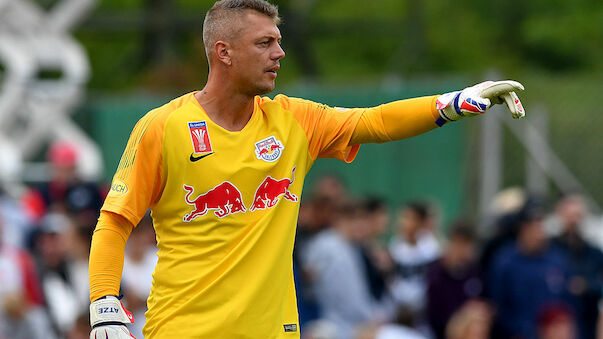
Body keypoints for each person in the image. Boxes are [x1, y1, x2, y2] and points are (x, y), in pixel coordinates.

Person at [87, 1, 526, 338]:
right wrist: (104, 301)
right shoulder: (163, 127)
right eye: (264, 43)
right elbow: (114, 221)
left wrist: (452, 104)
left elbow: (371, 121)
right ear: (223, 52)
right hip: (184, 330)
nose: (279, 53)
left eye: (278, 40)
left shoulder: (294, 119)